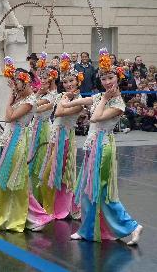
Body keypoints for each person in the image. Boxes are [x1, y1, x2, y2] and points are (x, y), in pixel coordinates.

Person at [63, 48, 143, 245]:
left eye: (110, 78)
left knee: (101, 191)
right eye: (104, 78)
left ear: (118, 79)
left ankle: (131, 225)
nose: (107, 82)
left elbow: (95, 118)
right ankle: (87, 230)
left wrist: (105, 99)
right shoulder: (99, 97)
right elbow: (80, 102)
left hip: (103, 149)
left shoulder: (118, 104)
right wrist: (67, 99)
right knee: (89, 191)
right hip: (93, 147)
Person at [0, 57, 53, 233]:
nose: (14, 85)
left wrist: (9, 98)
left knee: (18, 180)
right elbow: (9, 115)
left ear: (25, 83)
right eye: (14, 82)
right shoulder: (21, 99)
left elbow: (9, 117)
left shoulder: (29, 101)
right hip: (9, 138)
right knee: (5, 179)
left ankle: (32, 216)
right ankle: (8, 216)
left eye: (17, 82)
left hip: (18, 140)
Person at [38, 57, 84, 220]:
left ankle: (62, 208)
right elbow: (42, 107)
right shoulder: (60, 97)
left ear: (78, 82)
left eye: (71, 81)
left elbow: (58, 113)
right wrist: (33, 99)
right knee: (49, 175)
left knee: (61, 175)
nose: (68, 84)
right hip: (55, 138)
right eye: (65, 82)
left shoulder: (79, 101)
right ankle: (54, 207)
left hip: (65, 139)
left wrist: (64, 98)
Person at [28, 52, 58, 200]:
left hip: (44, 128)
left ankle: (40, 194)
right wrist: (39, 91)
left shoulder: (53, 95)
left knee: (41, 160)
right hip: (35, 126)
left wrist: (29, 102)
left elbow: (34, 108)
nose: (43, 80)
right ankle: (33, 193)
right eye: (42, 77)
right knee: (32, 159)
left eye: (46, 78)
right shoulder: (41, 92)